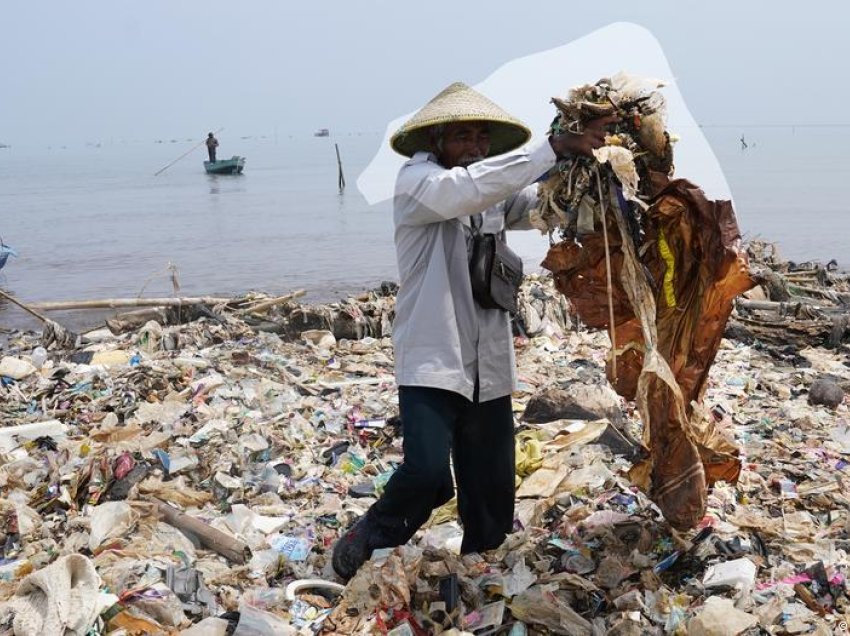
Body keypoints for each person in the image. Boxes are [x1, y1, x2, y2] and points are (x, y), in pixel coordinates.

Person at [332, 82, 615, 581]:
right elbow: (466, 191)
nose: (476, 147)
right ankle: (371, 534)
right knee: (426, 472)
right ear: (437, 139)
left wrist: (588, 174)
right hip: (433, 357)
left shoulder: (488, 194)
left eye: (482, 139)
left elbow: (539, 207)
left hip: (488, 360)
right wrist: (550, 147)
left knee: (492, 487)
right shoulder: (418, 183)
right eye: (464, 136)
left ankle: (482, 570)